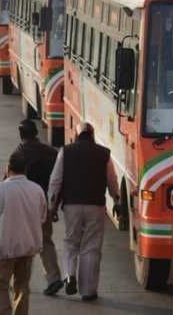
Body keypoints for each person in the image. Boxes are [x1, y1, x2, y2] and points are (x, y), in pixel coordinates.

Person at [47, 122, 120, 302]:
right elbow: (112, 181)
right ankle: (88, 291)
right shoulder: (104, 154)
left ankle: (70, 275)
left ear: (76, 134)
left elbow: (55, 181)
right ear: (92, 134)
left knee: (71, 242)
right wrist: (117, 200)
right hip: (95, 205)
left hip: (71, 205)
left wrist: (52, 207)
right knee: (91, 247)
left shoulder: (66, 151)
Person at [0, 152, 47, 315]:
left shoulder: (0, 190)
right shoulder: (37, 190)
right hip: (27, 248)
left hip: (3, 250)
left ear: (7, 168)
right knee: (22, 288)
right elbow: (42, 216)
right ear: (25, 169)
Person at [13, 119, 63, 296]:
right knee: (45, 241)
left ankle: (20, 280)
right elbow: (58, 181)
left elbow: (9, 180)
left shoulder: (18, 154)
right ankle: (54, 278)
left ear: (21, 134)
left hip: (23, 206)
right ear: (35, 132)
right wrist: (55, 206)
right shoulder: (51, 152)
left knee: (22, 243)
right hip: (44, 204)